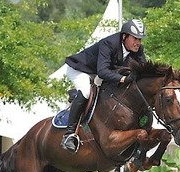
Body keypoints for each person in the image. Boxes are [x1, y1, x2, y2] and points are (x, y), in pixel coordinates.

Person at [60, 19, 147, 152]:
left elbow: (143, 69)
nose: (138, 43)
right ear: (125, 36)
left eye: (140, 39)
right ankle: (69, 134)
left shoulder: (138, 49)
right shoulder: (109, 43)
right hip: (80, 69)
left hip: (98, 73)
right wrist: (123, 79)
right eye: (135, 38)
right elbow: (103, 71)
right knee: (86, 91)